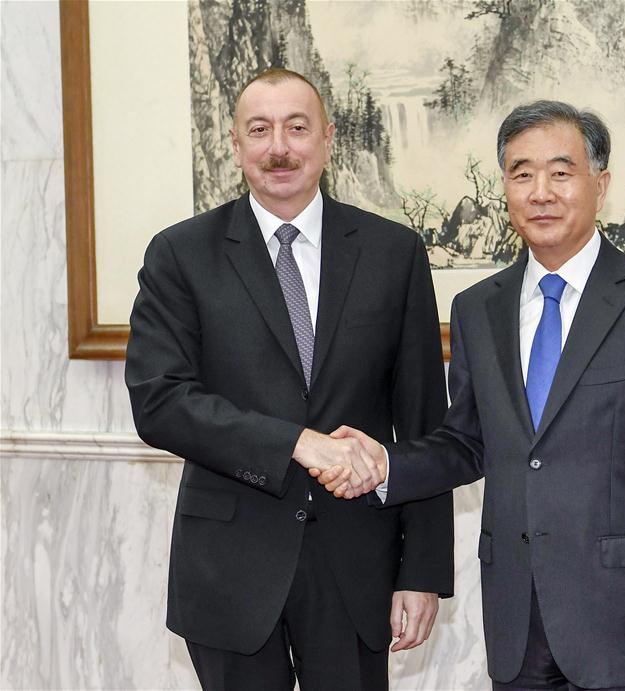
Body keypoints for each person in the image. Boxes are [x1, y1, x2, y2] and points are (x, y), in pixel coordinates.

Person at [311, 100, 625, 691]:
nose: (541, 192)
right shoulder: (478, 309)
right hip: (516, 618)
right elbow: (466, 443)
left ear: (600, 185)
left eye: (561, 172)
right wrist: (384, 464)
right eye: (521, 173)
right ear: (504, 188)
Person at [125, 67, 453, 691]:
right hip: (229, 569)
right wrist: (297, 444)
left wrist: (422, 571)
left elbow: (424, 425)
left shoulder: (394, 253)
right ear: (235, 144)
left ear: (328, 138)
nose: (279, 147)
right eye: (260, 130)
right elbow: (159, 401)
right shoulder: (180, 255)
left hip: (357, 567)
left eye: (297, 128)